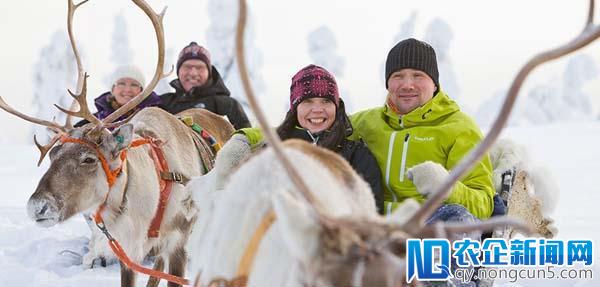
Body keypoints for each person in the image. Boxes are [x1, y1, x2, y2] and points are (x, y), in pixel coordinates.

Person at [349, 38, 495, 224]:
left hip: (430, 227)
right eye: (398, 76)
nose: (407, 84)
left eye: (418, 75)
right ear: (388, 84)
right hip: (371, 226)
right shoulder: (362, 123)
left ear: (434, 83)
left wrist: (447, 188)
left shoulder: (460, 128)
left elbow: (484, 206)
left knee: (456, 218)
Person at [238, 65, 384, 212]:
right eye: (308, 101)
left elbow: (372, 212)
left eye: (326, 101)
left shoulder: (357, 156)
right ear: (295, 108)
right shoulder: (273, 152)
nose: (317, 109)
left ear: (336, 106)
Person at [159, 42, 251, 130]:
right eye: (187, 67)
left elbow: (248, 141)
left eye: (199, 67)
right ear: (178, 71)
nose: (193, 73)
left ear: (209, 72)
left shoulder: (228, 105)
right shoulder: (162, 104)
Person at [74, 65, 160, 127]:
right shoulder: (94, 122)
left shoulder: (157, 115)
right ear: (113, 90)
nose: (127, 89)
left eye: (134, 85)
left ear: (141, 91)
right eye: (121, 84)